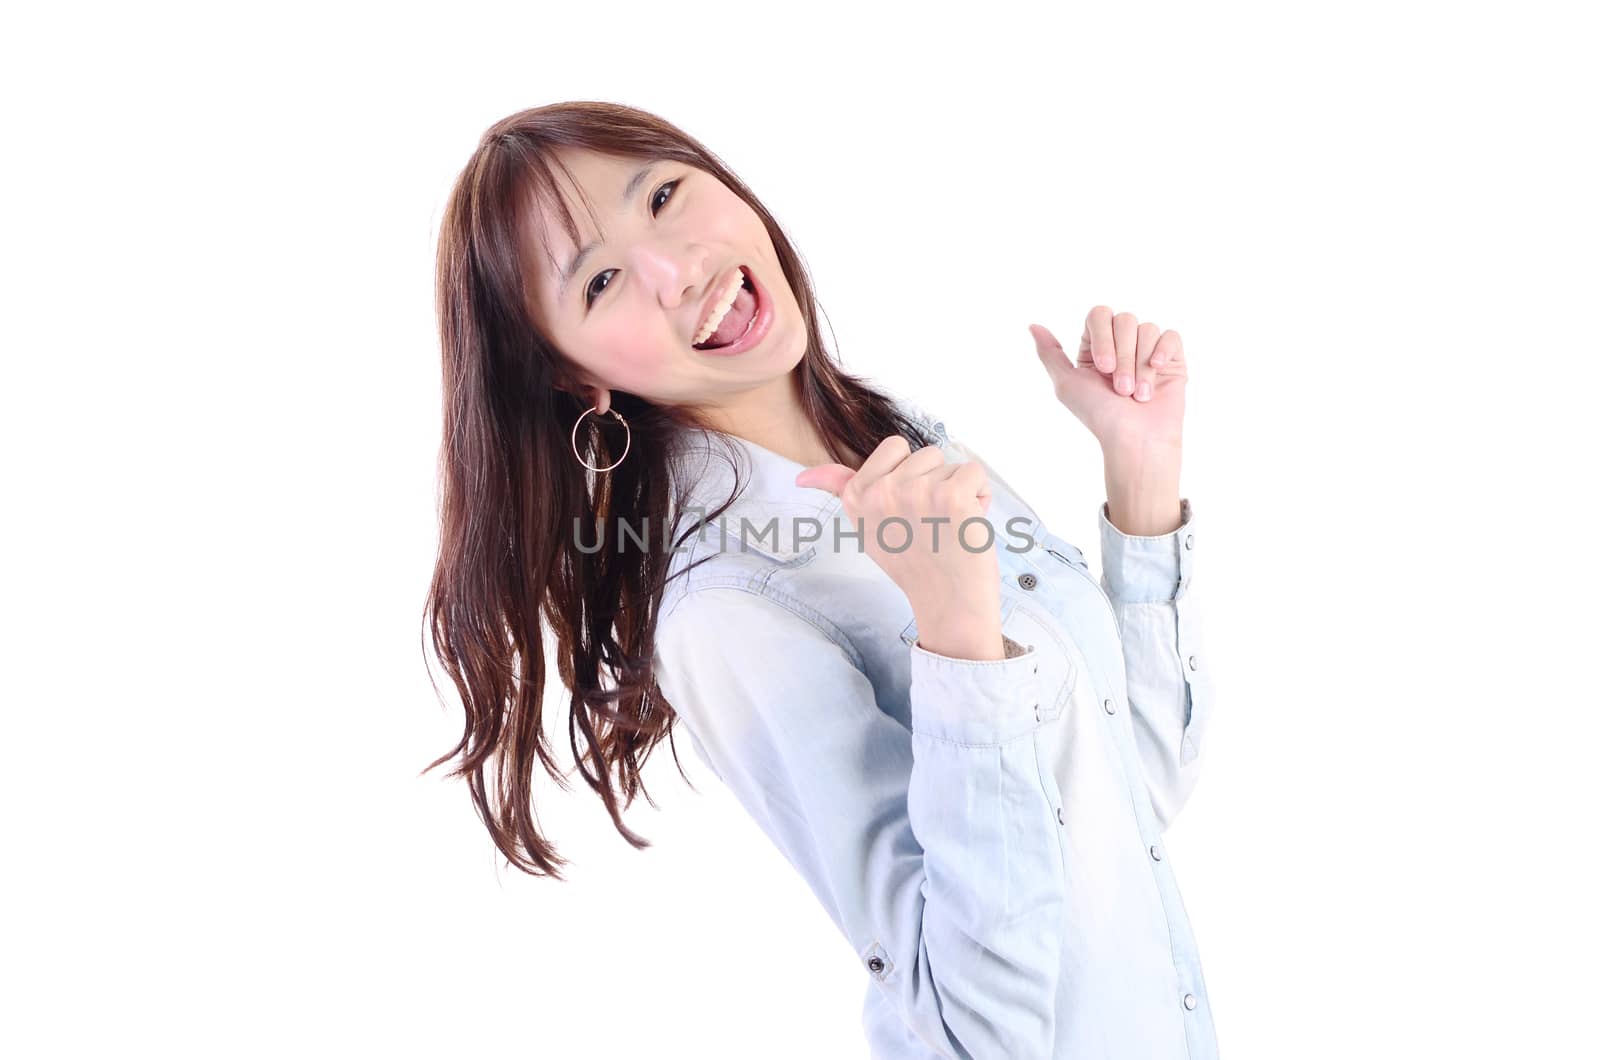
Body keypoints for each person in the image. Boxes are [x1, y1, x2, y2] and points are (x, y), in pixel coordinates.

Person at [425, 100, 1219, 1059]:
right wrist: (957, 638)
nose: (679, 271)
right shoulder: (724, 613)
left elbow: (1128, 794)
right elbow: (975, 1029)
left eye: (665, 194)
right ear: (573, 377)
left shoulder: (892, 434)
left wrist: (1142, 476)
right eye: (599, 281)